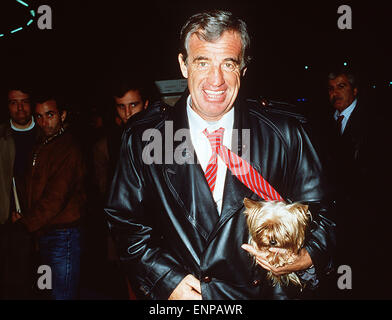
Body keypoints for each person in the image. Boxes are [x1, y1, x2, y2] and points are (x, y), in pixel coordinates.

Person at [105, 10, 336, 300]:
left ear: (243, 68)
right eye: (203, 62)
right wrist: (164, 277)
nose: (216, 80)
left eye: (228, 63)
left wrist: (308, 254)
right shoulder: (145, 138)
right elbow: (126, 222)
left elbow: (326, 212)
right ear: (184, 64)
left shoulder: (285, 132)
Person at [12, 92, 86, 300]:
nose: (44, 122)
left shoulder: (69, 147)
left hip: (63, 237)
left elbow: (56, 197)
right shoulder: (42, 144)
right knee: (47, 292)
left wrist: (25, 224)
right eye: (39, 117)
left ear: (62, 115)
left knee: (62, 295)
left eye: (50, 115)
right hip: (43, 233)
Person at [0, 84, 37, 299]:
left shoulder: (45, 131)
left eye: (24, 101)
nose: (20, 108)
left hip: (45, 218)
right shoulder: (2, 136)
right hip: (9, 221)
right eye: (14, 102)